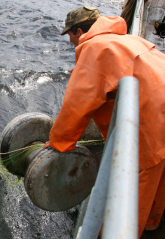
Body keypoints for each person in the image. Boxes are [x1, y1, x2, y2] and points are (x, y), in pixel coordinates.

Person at [44, 6, 165, 238]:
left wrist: (59, 141)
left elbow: (79, 103)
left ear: (79, 31)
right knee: (159, 173)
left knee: (137, 181)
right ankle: (152, 223)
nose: (70, 40)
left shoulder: (93, 48)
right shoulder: (127, 39)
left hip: (151, 121)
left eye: (69, 34)